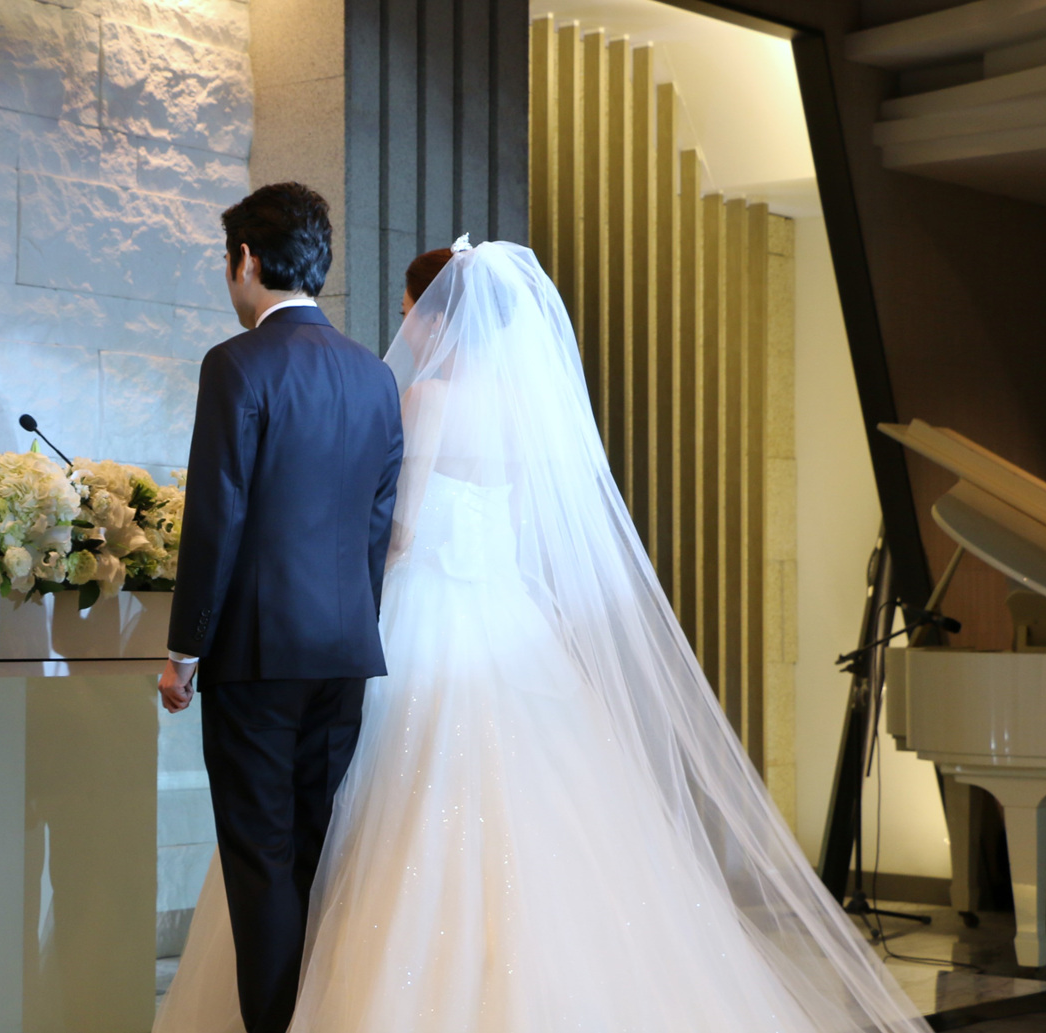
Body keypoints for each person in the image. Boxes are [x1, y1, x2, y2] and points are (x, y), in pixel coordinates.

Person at [154, 240, 934, 1033]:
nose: (408, 326)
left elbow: (401, 529)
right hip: (510, 616)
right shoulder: (525, 409)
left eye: (411, 312)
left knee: (352, 813)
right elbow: (530, 529)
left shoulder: (425, 399)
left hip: (423, 610)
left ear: (439, 319)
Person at [158, 182, 405, 1033]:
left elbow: (215, 515)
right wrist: (354, 623)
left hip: (257, 656)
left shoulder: (236, 363)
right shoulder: (375, 376)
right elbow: (375, 525)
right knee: (318, 853)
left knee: (260, 859)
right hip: (345, 652)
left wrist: (185, 649)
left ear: (246, 259)